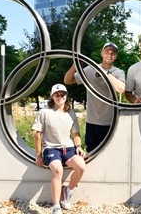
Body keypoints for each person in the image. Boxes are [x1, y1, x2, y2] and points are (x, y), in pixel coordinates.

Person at [32, 84, 86, 214]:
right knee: (58, 170)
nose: (60, 97)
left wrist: (78, 146)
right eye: (57, 94)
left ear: (66, 96)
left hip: (68, 148)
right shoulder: (44, 112)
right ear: (52, 96)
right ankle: (56, 206)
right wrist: (39, 155)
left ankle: (68, 191)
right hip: (51, 149)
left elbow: (75, 134)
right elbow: (37, 134)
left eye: (63, 94)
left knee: (81, 167)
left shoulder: (71, 113)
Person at [64, 42, 125, 152]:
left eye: (113, 53)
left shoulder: (118, 72)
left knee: (110, 153)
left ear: (115, 56)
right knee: (92, 153)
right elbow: (68, 80)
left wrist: (105, 73)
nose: (109, 54)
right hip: (92, 122)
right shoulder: (90, 69)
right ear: (102, 53)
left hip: (110, 122)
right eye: (107, 51)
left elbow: (120, 88)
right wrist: (75, 65)